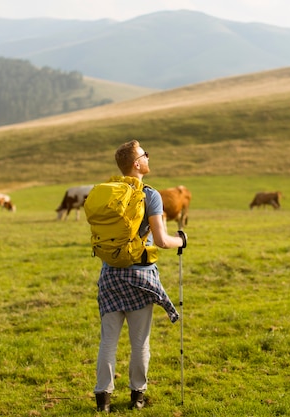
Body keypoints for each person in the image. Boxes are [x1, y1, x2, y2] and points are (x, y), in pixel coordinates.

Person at [94, 140, 187, 413]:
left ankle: (103, 400)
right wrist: (180, 241)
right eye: (145, 154)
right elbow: (160, 239)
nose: (148, 157)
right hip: (140, 277)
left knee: (108, 341)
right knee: (139, 342)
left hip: (110, 275)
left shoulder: (108, 193)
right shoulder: (151, 195)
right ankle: (137, 396)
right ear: (137, 164)